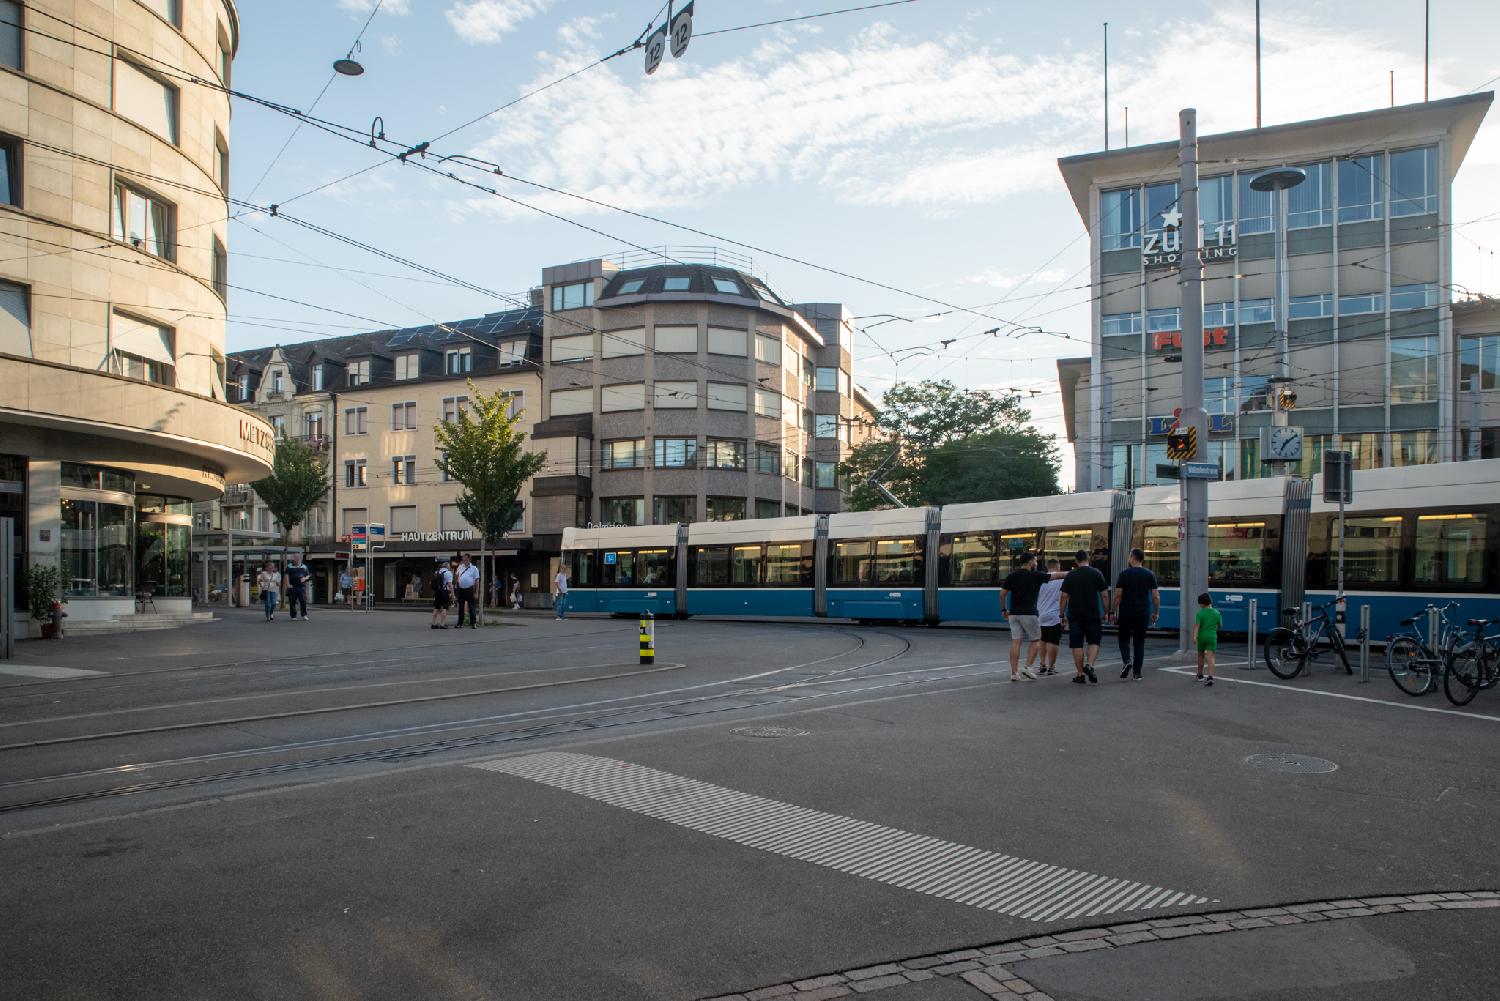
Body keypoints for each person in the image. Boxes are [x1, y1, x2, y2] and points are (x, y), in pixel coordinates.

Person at [999, 552, 1059, 682]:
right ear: (1031, 562)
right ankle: (1028, 667)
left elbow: (1002, 594)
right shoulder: (1035, 575)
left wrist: (1004, 609)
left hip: (1014, 614)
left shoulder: (1012, 576)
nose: (1036, 563)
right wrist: (1073, 573)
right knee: (1036, 640)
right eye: (1035, 561)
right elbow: (1056, 575)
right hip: (1029, 613)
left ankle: (1014, 673)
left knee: (1016, 642)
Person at [1058, 549, 1109, 685]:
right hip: (1092, 614)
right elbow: (1104, 595)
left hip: (1075, 615)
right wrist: (1106, 612)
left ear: (1076, 561)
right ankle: (1090, 665)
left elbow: (1064, 597)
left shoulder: (1071, 575)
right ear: (1089, 559)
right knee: (1094, 641)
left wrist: (1061, 614)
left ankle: (1080, 674)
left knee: (1077, 644)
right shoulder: (1097, 573)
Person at [1110, 548, 1161, 680]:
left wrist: (1113, 611)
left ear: (1132, 558)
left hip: (1126, 612)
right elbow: (1155, 597)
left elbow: (1117, 595)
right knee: (1139, 643)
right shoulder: (1150, 574)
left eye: (1129, 557)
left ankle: (1127, 661)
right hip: (1143, 612)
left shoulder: (1124, 574)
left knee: (1123, 639)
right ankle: (1137, 673)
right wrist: (1156, 612)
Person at [1029, 559, 1064, 676]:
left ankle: (1042, 665)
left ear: (1047, 567)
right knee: (1053, 641)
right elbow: (1065, 596)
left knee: (1042, 640)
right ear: (1058, 566)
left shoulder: (1040, 578)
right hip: (1054, 615)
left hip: (1040, 615)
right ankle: (1051, 667)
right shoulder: (1062, 579)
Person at [1195, 593, 1221, 687]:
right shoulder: (1217, 613)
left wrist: (1194, 637)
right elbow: (1219, 626)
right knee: (1211, 657)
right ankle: (1210, 677)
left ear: (1202, 604)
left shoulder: (1200, 613)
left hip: (1201, 637)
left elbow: (1197, 626)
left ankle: (1200, 675)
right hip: (1212, 637)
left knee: (1200, 655)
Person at [454, 553, 481, 629]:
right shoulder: (460, 567)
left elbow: (477, 581)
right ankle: (460, 623)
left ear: (469, 559)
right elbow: (456, 575)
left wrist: (476, 592)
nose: (463, 560)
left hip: (469, 589)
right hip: (461, 589)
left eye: (465, 558)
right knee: (461, 607)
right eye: (463, 558)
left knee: (471, 606)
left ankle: (473, 623)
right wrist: (456, 583)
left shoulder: (474, 568)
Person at [284, 554, 310, 621]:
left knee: (303, 601)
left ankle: (304, 615)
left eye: (298, 559)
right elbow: (286, 575)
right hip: (292, 587)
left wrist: (305, 578)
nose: (296, 560)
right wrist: (288, 584)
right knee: (292, 602)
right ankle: (293, 616)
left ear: (300, 559)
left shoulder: (304, 566)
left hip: (301, 587)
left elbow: (308, 575)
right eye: (295, 559)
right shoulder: (289, 566)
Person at [430, 559, 453, 629]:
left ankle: (433, 624)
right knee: (444, 608)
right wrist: (452, 593)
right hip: (444, 592)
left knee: (436, 607)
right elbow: (450, 585)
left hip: (437, 592)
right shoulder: (449, 573)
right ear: (447, 566)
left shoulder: (437, 572)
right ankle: (442, 624)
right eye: (449, 566)